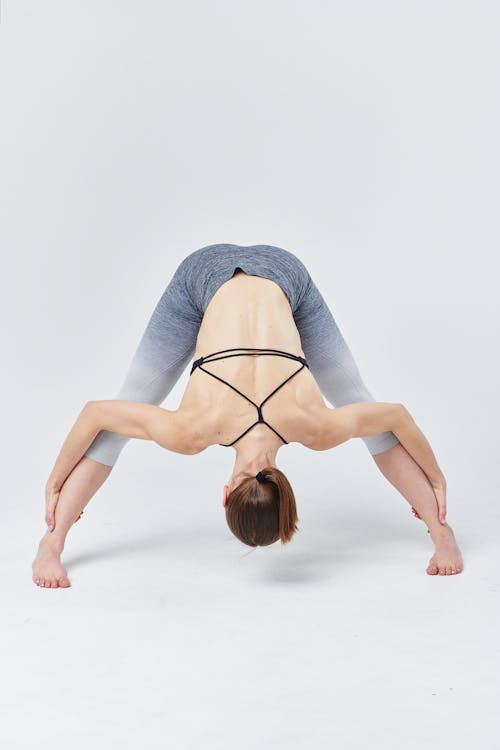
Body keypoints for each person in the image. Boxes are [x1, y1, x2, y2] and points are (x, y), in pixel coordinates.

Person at [32, 243, 463, 587]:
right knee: (123, 413)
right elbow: (95, 415)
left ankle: (444, 536)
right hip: (208, 277)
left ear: (289, 493)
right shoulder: (189, 431)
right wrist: (53, 482)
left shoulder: (316, 427)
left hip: (282, 269)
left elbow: (396, 416)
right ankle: (49, 545)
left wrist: (438, 476)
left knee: (357, 399)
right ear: (223, 494)